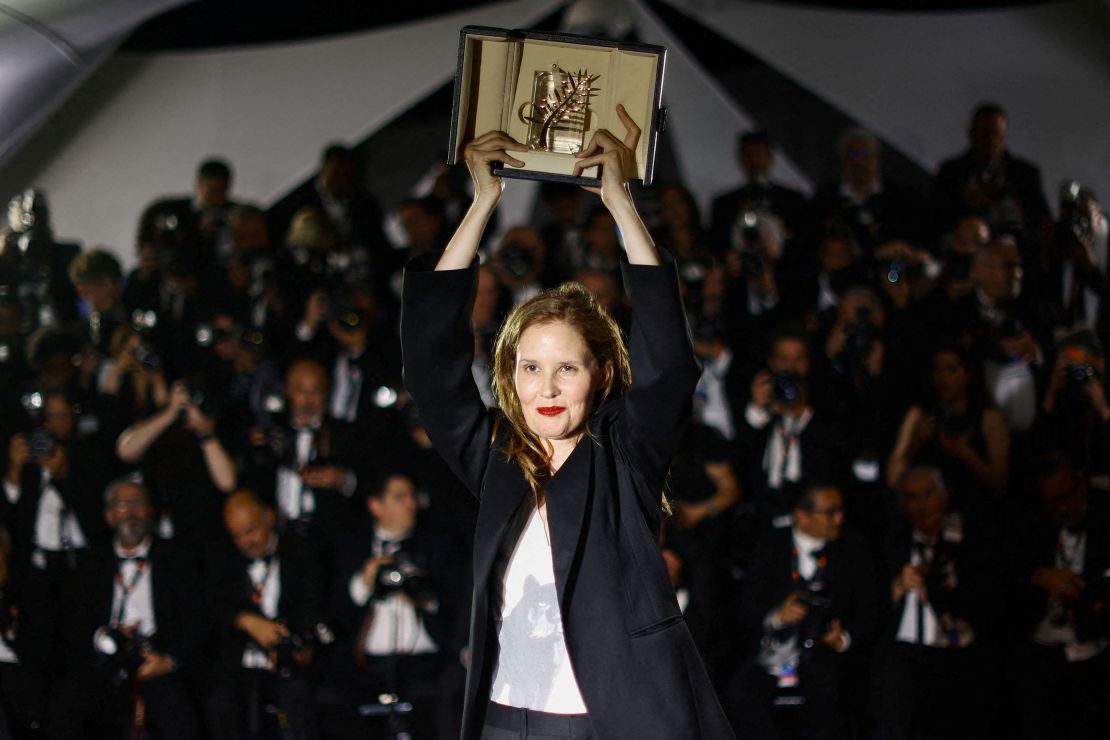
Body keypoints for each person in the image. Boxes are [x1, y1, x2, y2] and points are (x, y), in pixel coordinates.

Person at [401, 106, 735, 739]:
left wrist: (621, 204)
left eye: (567, 370)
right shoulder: (497, 458)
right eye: (530, 368)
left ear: (602, 375)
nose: (546, 389)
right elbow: (430, 371)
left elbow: (667, 366)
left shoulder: (625, 457)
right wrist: (481, 205)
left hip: (607, 722)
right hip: (504, 719)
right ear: (508, 375)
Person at [48, 476, 204, 740]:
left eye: (137, 503)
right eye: (122, 505)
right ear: (109, 516)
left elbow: (197, 621)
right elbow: (73, 620)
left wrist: (169, 660)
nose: (130, 512)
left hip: (156, 655)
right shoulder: (91, 563)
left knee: (178, 712)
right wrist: (103, 638)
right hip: (104, 656)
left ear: (151, 511)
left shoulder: (178, 559)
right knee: (66, 704)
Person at [727, 483, 876, 739]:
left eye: (841, 511)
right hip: (771, 654)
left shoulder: (854, 551)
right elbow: (744, 607)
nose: (839, 519)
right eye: (830, 512)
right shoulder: (769, 546)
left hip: (825, 657)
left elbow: (870, 612)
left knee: (836, 697)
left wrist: (843, 638)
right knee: (740, 693)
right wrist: (775, 616)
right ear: (802, 516)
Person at [206, 490, 327, 740]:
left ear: (269, 517)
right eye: (237, 535)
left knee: (301, 698)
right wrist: (245, 620)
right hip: (241, 662)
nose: (246, 542)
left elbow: (314, 605)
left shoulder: (301, 551)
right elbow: (212, 607)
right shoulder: (221, 559)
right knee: (221, 701)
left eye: (251, 531)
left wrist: (291, 640)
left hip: (291, 661)